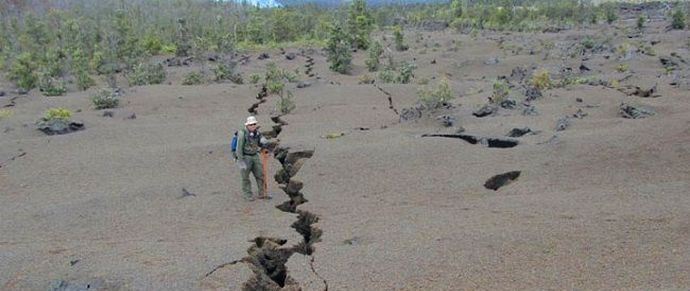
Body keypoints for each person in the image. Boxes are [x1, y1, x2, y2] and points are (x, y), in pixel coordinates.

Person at [236, 116, 268, 201]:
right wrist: (240, 161)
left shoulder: (257, 133)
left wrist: (263, 142)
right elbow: (238, 148)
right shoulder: (242, 134)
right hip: (246, 156)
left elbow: (260, 143)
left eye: (254, 124)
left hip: (255, 155)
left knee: (260, 174)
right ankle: (248, 195)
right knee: (245, 177)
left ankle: (262, 193)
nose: (253, 126)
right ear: (247, 125)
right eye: (251, 124)